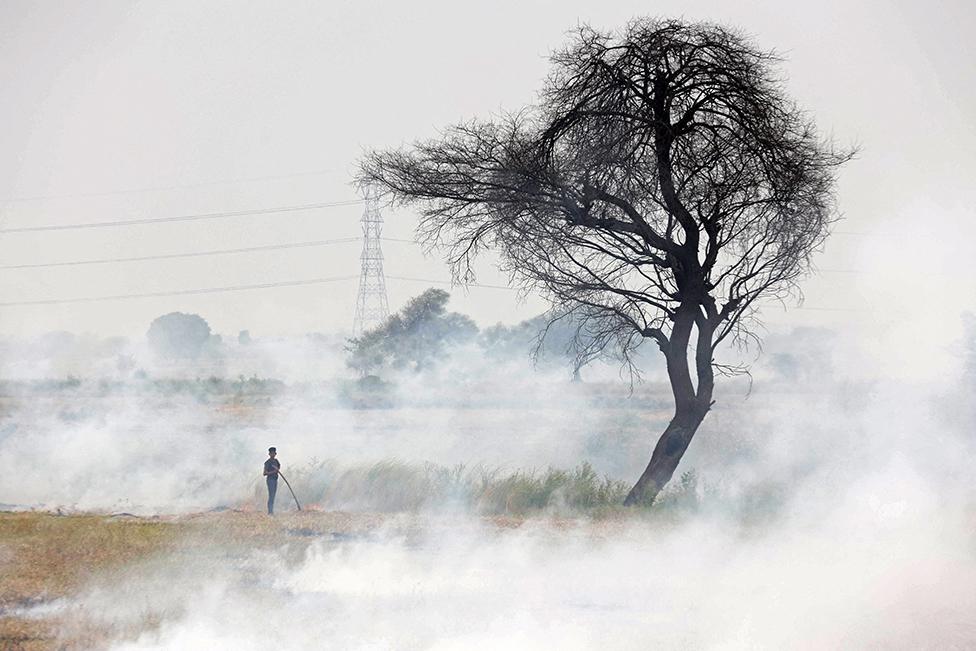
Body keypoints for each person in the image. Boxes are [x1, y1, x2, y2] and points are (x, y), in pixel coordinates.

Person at [263, 447, 281, 514]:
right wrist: (274, 471)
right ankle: (270, 511)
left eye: (274, 453)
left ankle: (271, 510)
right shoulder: (267, 463)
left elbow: (279, 466)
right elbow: (264, 473)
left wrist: (277, 469)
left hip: (275, 480)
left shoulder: (276, 461)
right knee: (271, 495)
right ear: (269, 454)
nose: (273, 454)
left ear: (275, 454)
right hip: (270, 480)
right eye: (271, 453)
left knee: (273, 495)